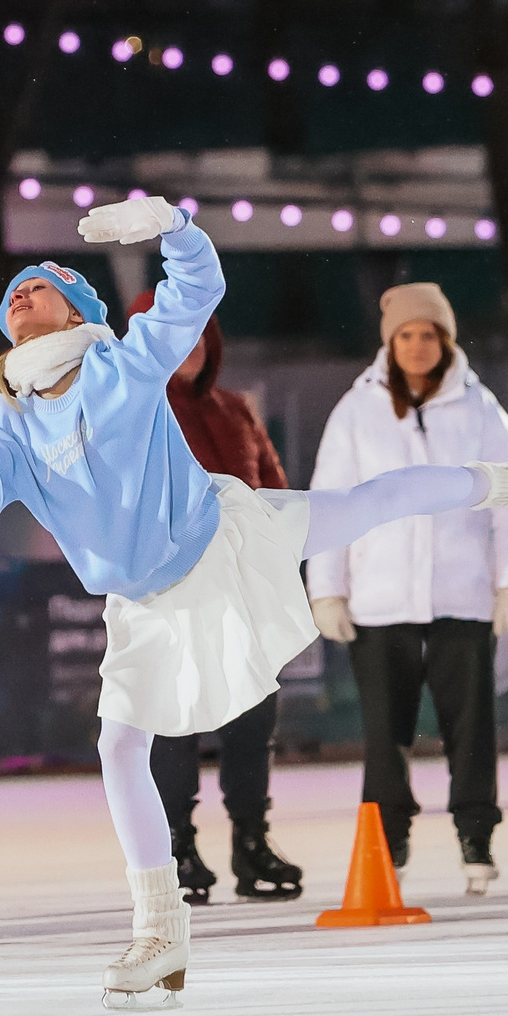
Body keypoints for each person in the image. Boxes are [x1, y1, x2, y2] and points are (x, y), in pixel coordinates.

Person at [0, 197, 508, 1008]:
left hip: (225, 537)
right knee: (120, 749)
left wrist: (174, 228)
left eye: (40, 286)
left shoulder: (119, 363)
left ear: (76, 310)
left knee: (374, 502)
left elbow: (197, 292)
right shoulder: (9, 419)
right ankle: (161, 930)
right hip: (143, 601)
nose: (21, 295)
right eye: (13, 294)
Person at [305, 282, 508, 895]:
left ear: (445, 340)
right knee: (386, 733)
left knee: (471, 726)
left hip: (462, 592)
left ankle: (476, 835)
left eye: (427, 334)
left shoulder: (480, 409)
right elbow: (330, 503)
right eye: (405, 335)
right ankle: (388, 841)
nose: (416, 345)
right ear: (390, 342)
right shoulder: (357, 410)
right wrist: (327, 588)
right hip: (380, 599)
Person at [119, 289, 306, 905]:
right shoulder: (132, 413)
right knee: (174, 723)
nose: (191, 345)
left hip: (245, 590)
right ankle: (176, 846)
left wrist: (280, 564)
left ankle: (252, 839)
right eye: (174, 332)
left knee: (253, 720)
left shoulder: (235, 409)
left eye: (199, 332)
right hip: (171, 594)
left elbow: (274, 491)